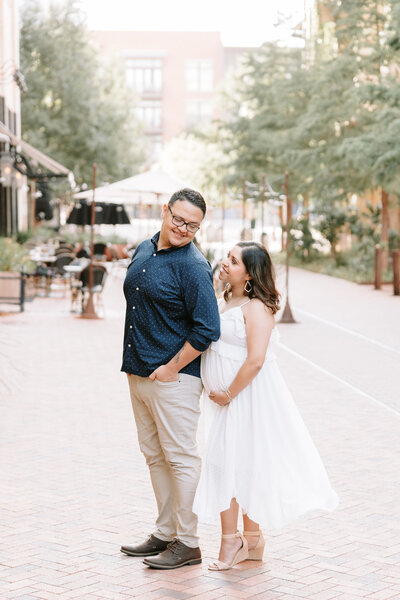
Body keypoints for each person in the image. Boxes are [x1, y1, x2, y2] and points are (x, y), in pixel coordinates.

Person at [193, 241, 338, 571]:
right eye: (227, 257)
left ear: (249, 273)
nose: (225, 263)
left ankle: (232, 542)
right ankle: (252, 541)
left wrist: (229, 393)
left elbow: (256, 359)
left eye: (234, 260)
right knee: (236, 462)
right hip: (225, 400)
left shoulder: (256, 307)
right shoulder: (227, 297)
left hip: (245, 397)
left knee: (228, 464)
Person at [120, 188, 220, 570]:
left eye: (192, 225)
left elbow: (207, 328)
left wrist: (171, 368)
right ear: (165, 212)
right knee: (154, 456)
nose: (182, 228)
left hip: (173, 379)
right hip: (138, 372)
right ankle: (165, 533)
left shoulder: (193, 265)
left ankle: (189, 543)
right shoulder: (144, 249)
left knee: (180, 458)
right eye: (178, 219)